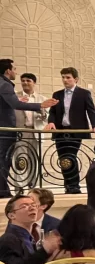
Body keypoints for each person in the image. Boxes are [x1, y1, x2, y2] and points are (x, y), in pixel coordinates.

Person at [0, 59, 56, 198]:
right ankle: (5, 191)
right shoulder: (6, 85)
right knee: (7, 161)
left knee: (30, 160)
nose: (15, 71)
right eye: (14, 69)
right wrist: (40, 105)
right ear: (8, 70)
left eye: (28, 80)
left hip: (32, 132)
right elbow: (15, 105)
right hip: (9, 130)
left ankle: (19, 189)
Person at [45, 67, 95, 194]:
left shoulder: (84, 93)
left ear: (75, 79)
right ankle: (68, 185)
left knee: (70, 156)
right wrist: (51, 122)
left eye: (68, 77)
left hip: (75, 130)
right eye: (63, 77)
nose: (65, 80)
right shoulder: (57, 94)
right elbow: (53, 112)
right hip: (60, 130)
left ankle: (74, 185)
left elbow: (91, 110)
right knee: (62, 158)